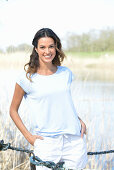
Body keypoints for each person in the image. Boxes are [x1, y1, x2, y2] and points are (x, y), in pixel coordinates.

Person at [10, 28, 88, 170]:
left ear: (56, 47)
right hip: (46, 142)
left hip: (74, 140)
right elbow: (13, 110)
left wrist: (79, 119)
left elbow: (62, 104)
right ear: (36, 49)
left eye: (51, 46)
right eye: (43, 47)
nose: (47, 51)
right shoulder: (26, 78)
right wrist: (29, 137)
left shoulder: (65, 73)